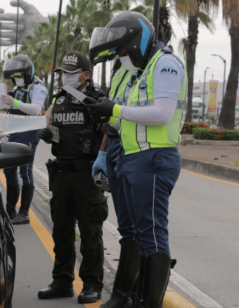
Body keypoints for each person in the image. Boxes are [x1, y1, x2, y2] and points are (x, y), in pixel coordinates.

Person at [86, 11, 187, 308]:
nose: (122, 56)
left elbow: (162, 114)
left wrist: (114, 111)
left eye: (123, 51)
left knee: (152, 234)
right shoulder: (141, 69)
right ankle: (132, 298)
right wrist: (106, 111)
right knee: (138, 233)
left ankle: (146, 302)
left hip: (154, 159)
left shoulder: (166, 64)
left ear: (137, 41)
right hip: (134, 157)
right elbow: (130, 115)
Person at [37, 51, 107, 304]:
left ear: (85, 75)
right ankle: (62, 281)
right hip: (62, 172)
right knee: (62, 232)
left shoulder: (97, 99)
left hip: (86, 174)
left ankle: (92, 284)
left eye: (69, 73)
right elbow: (50, 122)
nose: (64, 78)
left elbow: (108, 131)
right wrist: (47, 133)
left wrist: (99, 117)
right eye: (62, 73)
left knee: (90, 233)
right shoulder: (59, 99)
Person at [89, 58, 140, 307]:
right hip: (115, 146)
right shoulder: (119, 71)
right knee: (126, 228)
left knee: (141, 229)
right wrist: (103, 152)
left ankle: (132, 293)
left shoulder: (142, 69)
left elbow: (126, 114)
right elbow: (112, 121)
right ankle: (124, 293)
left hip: (133, 148)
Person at [0, 54, 48, 224]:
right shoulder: (17, 89)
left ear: (27, 73)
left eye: (19, 76)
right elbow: (13, 108)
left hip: (29, 132)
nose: (16, 79)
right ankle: (10, 210)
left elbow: (35, 109)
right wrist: (6, 103)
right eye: (14, 77)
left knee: (25, 171)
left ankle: (24, 212)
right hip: (14, 131)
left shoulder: (38, 88)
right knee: (9, 169)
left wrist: (15, 102)